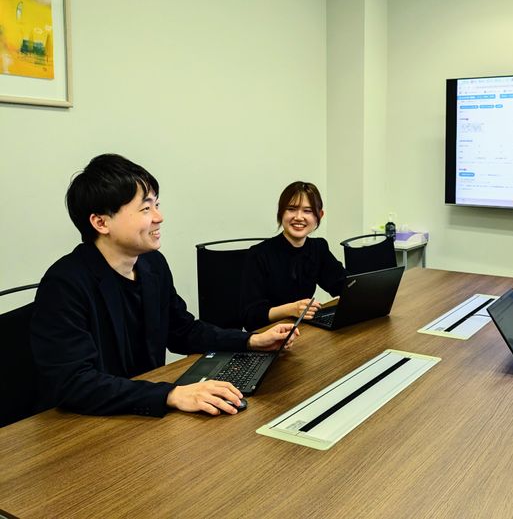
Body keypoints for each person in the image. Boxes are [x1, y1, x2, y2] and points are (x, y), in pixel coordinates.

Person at [31, 154, 299, 418]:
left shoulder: (152, 265)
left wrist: (251, 340)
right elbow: (75, 383)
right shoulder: (64, 284)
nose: (159, 217)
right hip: (86, 424)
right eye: (145, 208)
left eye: (156, 205)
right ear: (101, 222)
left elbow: (182, 330)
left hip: (140, 413)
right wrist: (170, 395)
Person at [239, 181, 346, 331]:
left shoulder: (318, 247)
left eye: (307, 211)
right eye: (291, 209)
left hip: (303, 329)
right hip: (268, 334)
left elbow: (343, 285)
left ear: (319, 215)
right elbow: (250, 316)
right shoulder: (258, 254)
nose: (299, 217)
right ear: (281, 212)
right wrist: (291, 309)